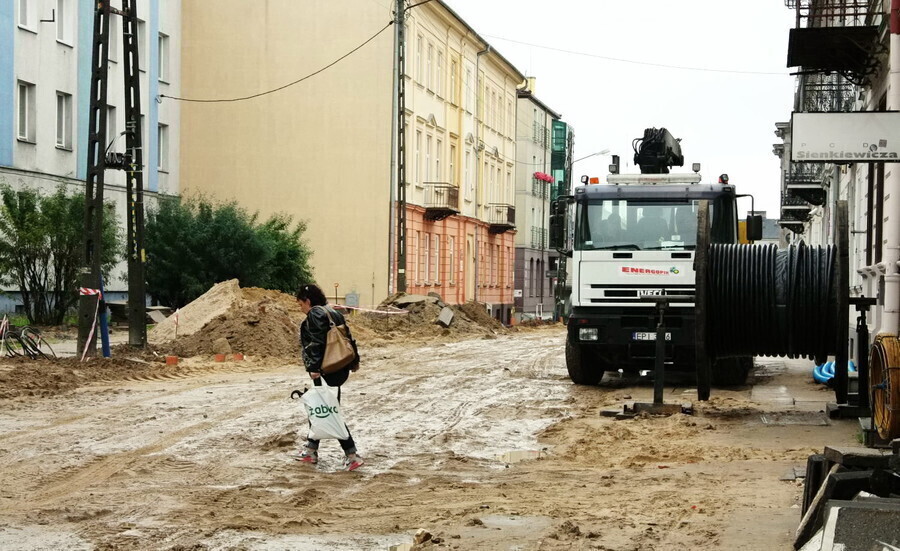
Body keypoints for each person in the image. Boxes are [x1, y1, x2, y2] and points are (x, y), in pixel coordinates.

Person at [293, 283, 364, 471]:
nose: (300, 308)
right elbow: (348, 338)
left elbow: (316, 344)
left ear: (307, 301)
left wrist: (314, 368)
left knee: (327, 410)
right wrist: (354, 361)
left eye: (300, 304)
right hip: (340, 366)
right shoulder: (333, 312)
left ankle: (351, 454)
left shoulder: (315, 314)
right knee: (322, 407)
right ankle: (311, 449)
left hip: (325, 369)